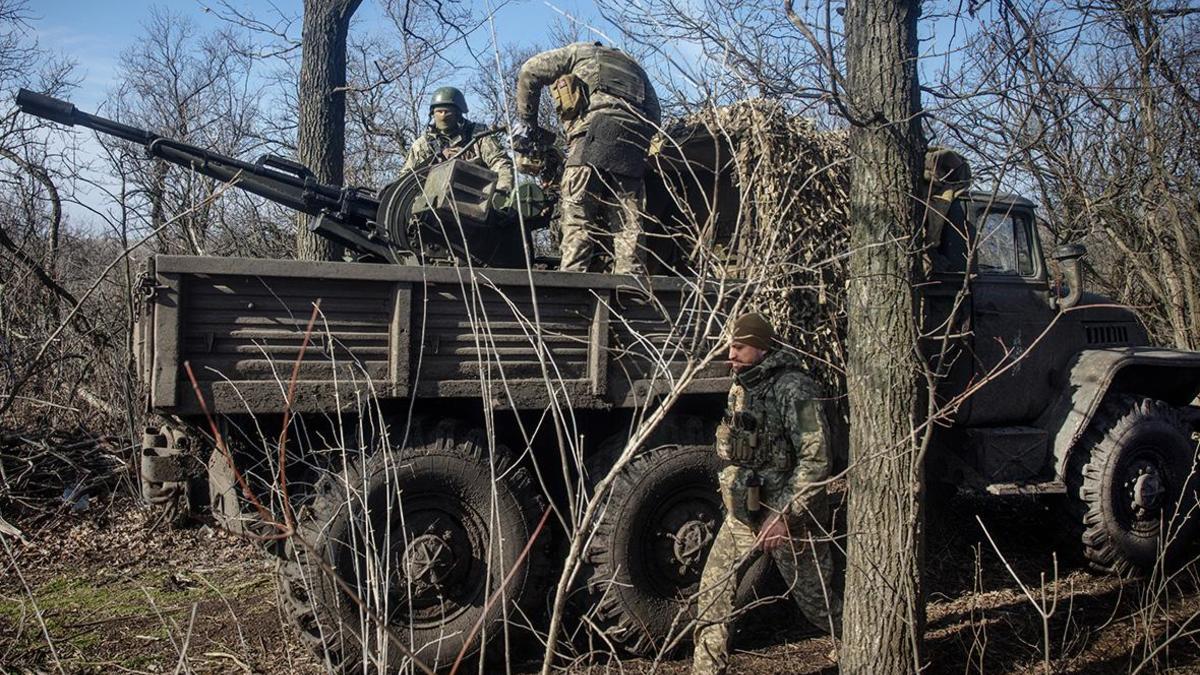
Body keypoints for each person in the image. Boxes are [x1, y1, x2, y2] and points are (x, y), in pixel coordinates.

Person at [691, 312, 843, 675]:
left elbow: (817, 457)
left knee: (818, 605)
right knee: (713, 597)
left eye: (739, 346)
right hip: (743, 513)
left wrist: (784, 515)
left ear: (760, 347)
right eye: (730, 344)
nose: (731, 353)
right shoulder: (742, 384)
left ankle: (858, 645)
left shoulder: (796, 389)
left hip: (788, 520)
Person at [513, 42, 661, 274]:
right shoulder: (635, 66)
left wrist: (527, 123)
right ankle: (631, 283)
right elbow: (654, 115)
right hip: (632, 142)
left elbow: (530, 70)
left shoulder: (580, 52)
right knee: (628, 221)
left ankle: (572, 283)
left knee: (577, 214)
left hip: (590, 136)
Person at [402, 86, 514, 197]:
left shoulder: (478, 135)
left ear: (458, 113)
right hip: (433, 204)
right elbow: (405, 180)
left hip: (478, 198)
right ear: (432, 114)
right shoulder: (423, 145)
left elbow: (500, 162)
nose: (443, 115)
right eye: (439, 111)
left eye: (447, 111)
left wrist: (501, 191)